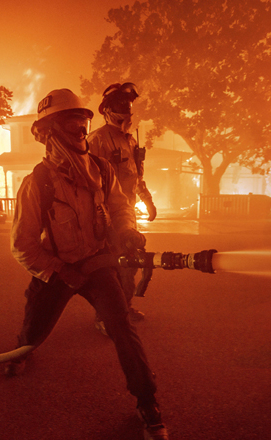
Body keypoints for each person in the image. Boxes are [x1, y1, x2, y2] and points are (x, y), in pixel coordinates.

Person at [7, 89, 168, 440]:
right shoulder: (38, 182)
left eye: (83, 123)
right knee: (33, 331)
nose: (81, 130)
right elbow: (22, 246)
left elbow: (121, 206)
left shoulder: (101, 169)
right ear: (48, 131)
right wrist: (62, 271)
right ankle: (20, 351)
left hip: (96, 266)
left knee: (122, 328)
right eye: (71, 123)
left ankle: (148, 403)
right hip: (57, 269)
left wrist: (127, 232)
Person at [88, 82, 156, 332]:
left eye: (128, 105)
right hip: (107, 217)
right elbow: (89, 183)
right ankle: (104, 317)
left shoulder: (129, 141)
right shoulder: (97, 140)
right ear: (106, 109)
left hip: (128, 215)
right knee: (110, 269)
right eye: (120, 105)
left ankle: (124, 307)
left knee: (131, 263)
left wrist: (147, 200)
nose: (126, 110)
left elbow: (136, 175)